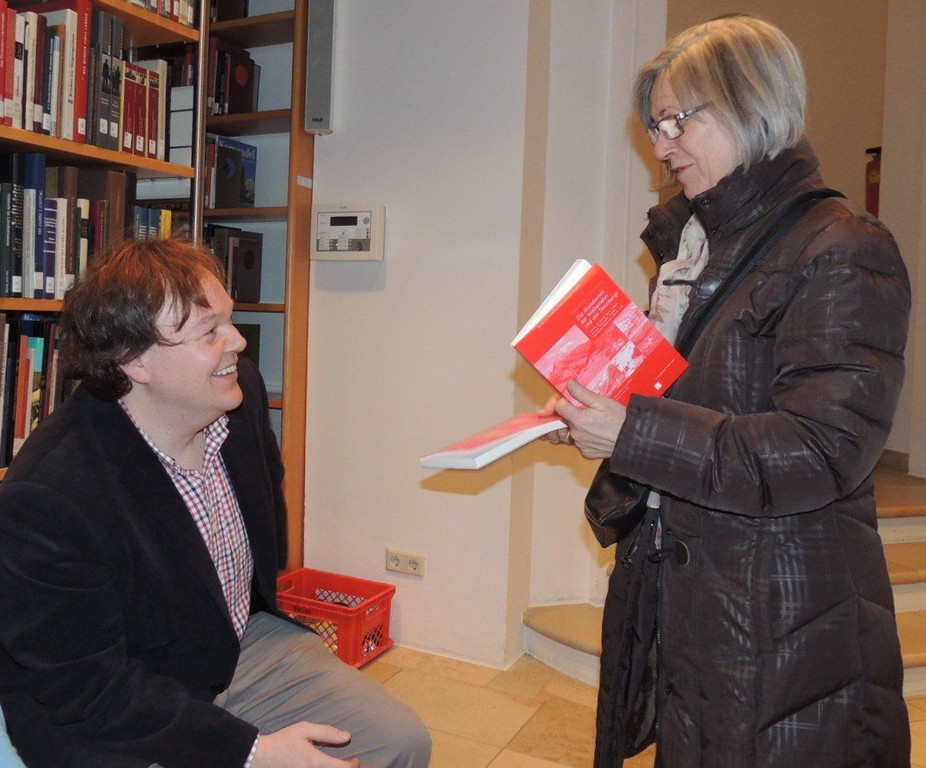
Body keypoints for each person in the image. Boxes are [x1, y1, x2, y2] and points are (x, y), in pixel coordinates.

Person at [542, 14, 911, 768]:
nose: (661, 145)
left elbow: (823, 450)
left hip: (785, 611)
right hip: (696, 591)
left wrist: (634, 433)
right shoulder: (691, 250)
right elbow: (694, 398)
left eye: (678, 120)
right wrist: (600, 413)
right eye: (655, 126)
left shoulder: (844, 247)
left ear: (753, 102)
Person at [0, 238, 432, 768]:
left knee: (400, 741)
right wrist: (252, 751)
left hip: (235, 645)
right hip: (118, 699)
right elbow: (87, 689)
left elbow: (267, 508)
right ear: (135, 361)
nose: (238, 342)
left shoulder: (237, 391)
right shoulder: (49, 497)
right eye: (210, 332)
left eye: (230, 319)